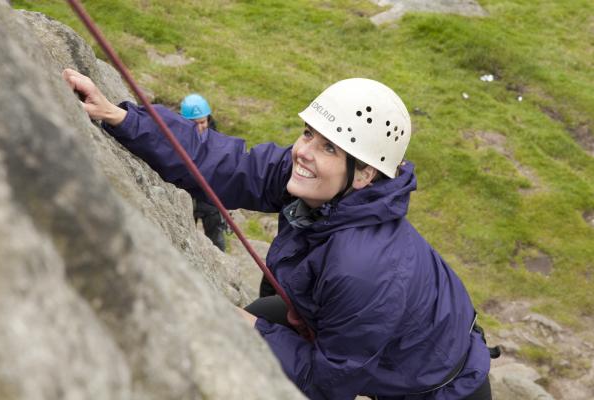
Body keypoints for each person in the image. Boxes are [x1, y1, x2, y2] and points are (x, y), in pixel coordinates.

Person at [62, 68, 496, 400]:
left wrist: (249, 327)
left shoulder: (363, 268)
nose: (303, 152)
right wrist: (121, 117)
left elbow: (329, 385)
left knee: (248, 325)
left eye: (329, 148)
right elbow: (222, 162)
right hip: (365, 335)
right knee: (254, 320)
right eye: (309, 133)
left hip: (440, 388)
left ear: (364, 174)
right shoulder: (315, 184)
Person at [180, 93, 227, 251]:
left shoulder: (216, 140)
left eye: (202, 122)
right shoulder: (177, 139)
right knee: (185, 239)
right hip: (188, 197)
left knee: (216, 242)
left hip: (210, 198)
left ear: (208, 119)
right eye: (194, 123)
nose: (199, 127)